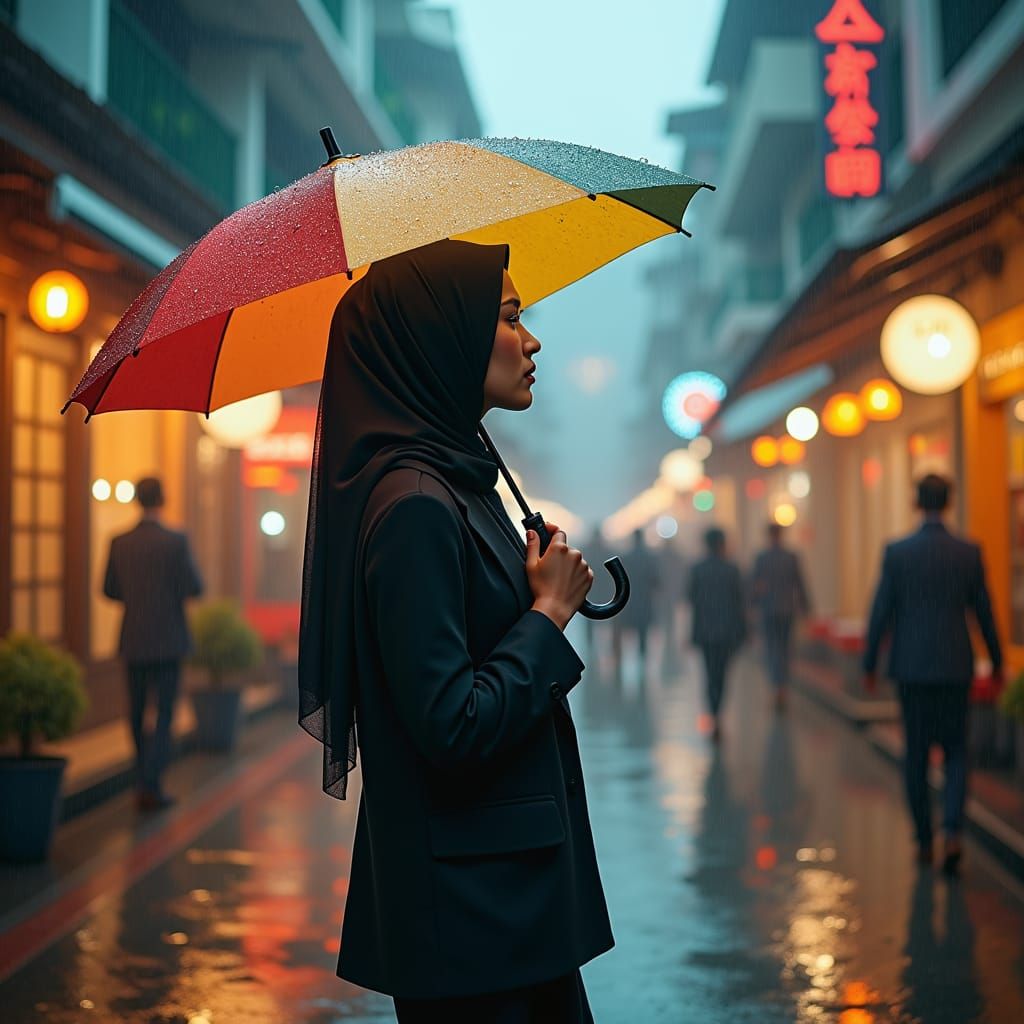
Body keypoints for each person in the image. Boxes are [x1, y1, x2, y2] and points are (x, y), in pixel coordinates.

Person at [297, 240, 612, 1022]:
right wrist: (546, 615)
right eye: (509, 318)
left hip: (501, 906)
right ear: (444, 337)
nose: (531, 339)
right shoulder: (413, 504)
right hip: (474, 920)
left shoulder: (453, 481)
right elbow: (451, 723)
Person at [863, 474, 1002, 873]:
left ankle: (924, 839)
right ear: (949, 501)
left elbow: (881, 611)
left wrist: (870, 662)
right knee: (957, 750)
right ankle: (953, 830)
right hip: (956, 665)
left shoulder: (898, 552)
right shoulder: (967, 552)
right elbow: (984, 613)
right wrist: (994, 661)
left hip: (911, 668)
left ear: (915, 502)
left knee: (917, 754)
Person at [102, 476, 203, 811]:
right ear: (163, 499)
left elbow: (109, 589)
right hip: (170, 637)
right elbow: (194, 587)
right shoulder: (175, 541)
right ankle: (152, 781)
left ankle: (142, 778)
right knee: (164, 714)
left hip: (133, 637)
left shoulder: (120, 541)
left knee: (135, 710)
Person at [688, 527, 746, 740]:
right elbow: (740, 603)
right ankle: (717, 714)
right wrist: (743, 632)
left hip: (705, 632)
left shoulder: (698, 569)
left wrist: (692, 633)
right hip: (726, 632)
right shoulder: (732, 570)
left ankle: (713, 713)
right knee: (721, 675)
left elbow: (692, 601)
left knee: (709, 673)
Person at [751, 522, 810, 710]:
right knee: (784, 648)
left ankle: (776, 686)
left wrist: (753, 607)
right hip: (787, 609)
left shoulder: (762, 558)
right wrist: (806, 608)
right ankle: (781, 687)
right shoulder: (791, 557)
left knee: (772, 649)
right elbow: (800, 585)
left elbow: (754, 586)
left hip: (769, 610)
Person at [612, 528, 658, 671]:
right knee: (642, 633)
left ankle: (622, 664)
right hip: (645, 601)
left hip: (628, 601)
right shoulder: (650, 558)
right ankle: (641, 662)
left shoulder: (626, 557)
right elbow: (656, 581)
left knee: (626, 633)